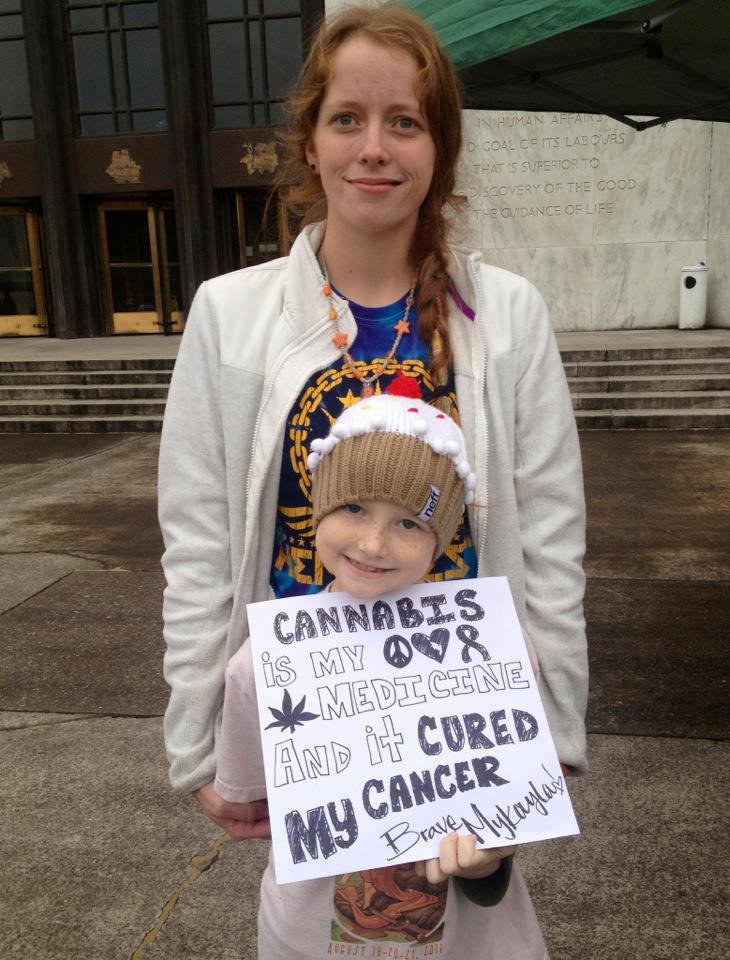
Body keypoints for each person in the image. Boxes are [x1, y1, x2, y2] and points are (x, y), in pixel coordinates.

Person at [159, 0, 586, 882]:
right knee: (323, 932)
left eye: (405, 123)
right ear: (310, 142)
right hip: (308, 724)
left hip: (464, 721)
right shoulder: (228, 315)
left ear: (441, 150)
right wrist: (202, 745)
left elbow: (550, 535)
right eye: (347, 118)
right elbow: (199, 543)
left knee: (463, 920)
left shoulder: (509, 315)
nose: (374, 149)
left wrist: (553, 730)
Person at [214, 387, 548, 958]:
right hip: (305, 938)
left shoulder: (497, 650)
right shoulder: (263, 663)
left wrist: (487, 860)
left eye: (410, 523)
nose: (373, 543)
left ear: (441, 540)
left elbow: (507, 815)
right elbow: (253, 802)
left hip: (472, 941)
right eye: (354, 508)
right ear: (317, 508)